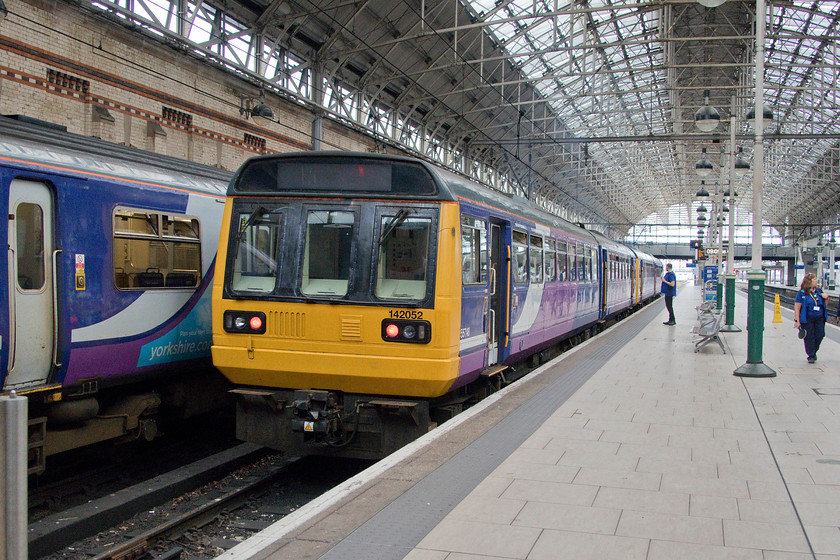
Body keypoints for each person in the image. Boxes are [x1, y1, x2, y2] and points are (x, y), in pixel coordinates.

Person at [794, 273, 828, 363]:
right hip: (807, 318)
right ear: (809, 281)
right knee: (809, 336)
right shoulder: (802, 293)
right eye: (815, 279)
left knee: (820, 334)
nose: (817, 280)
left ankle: (814, 350)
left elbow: (825, 304)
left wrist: (826, 297)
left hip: (820, 318)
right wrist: (797, 321)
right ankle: (811, 355)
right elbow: (797, 308)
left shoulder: (819, 291)